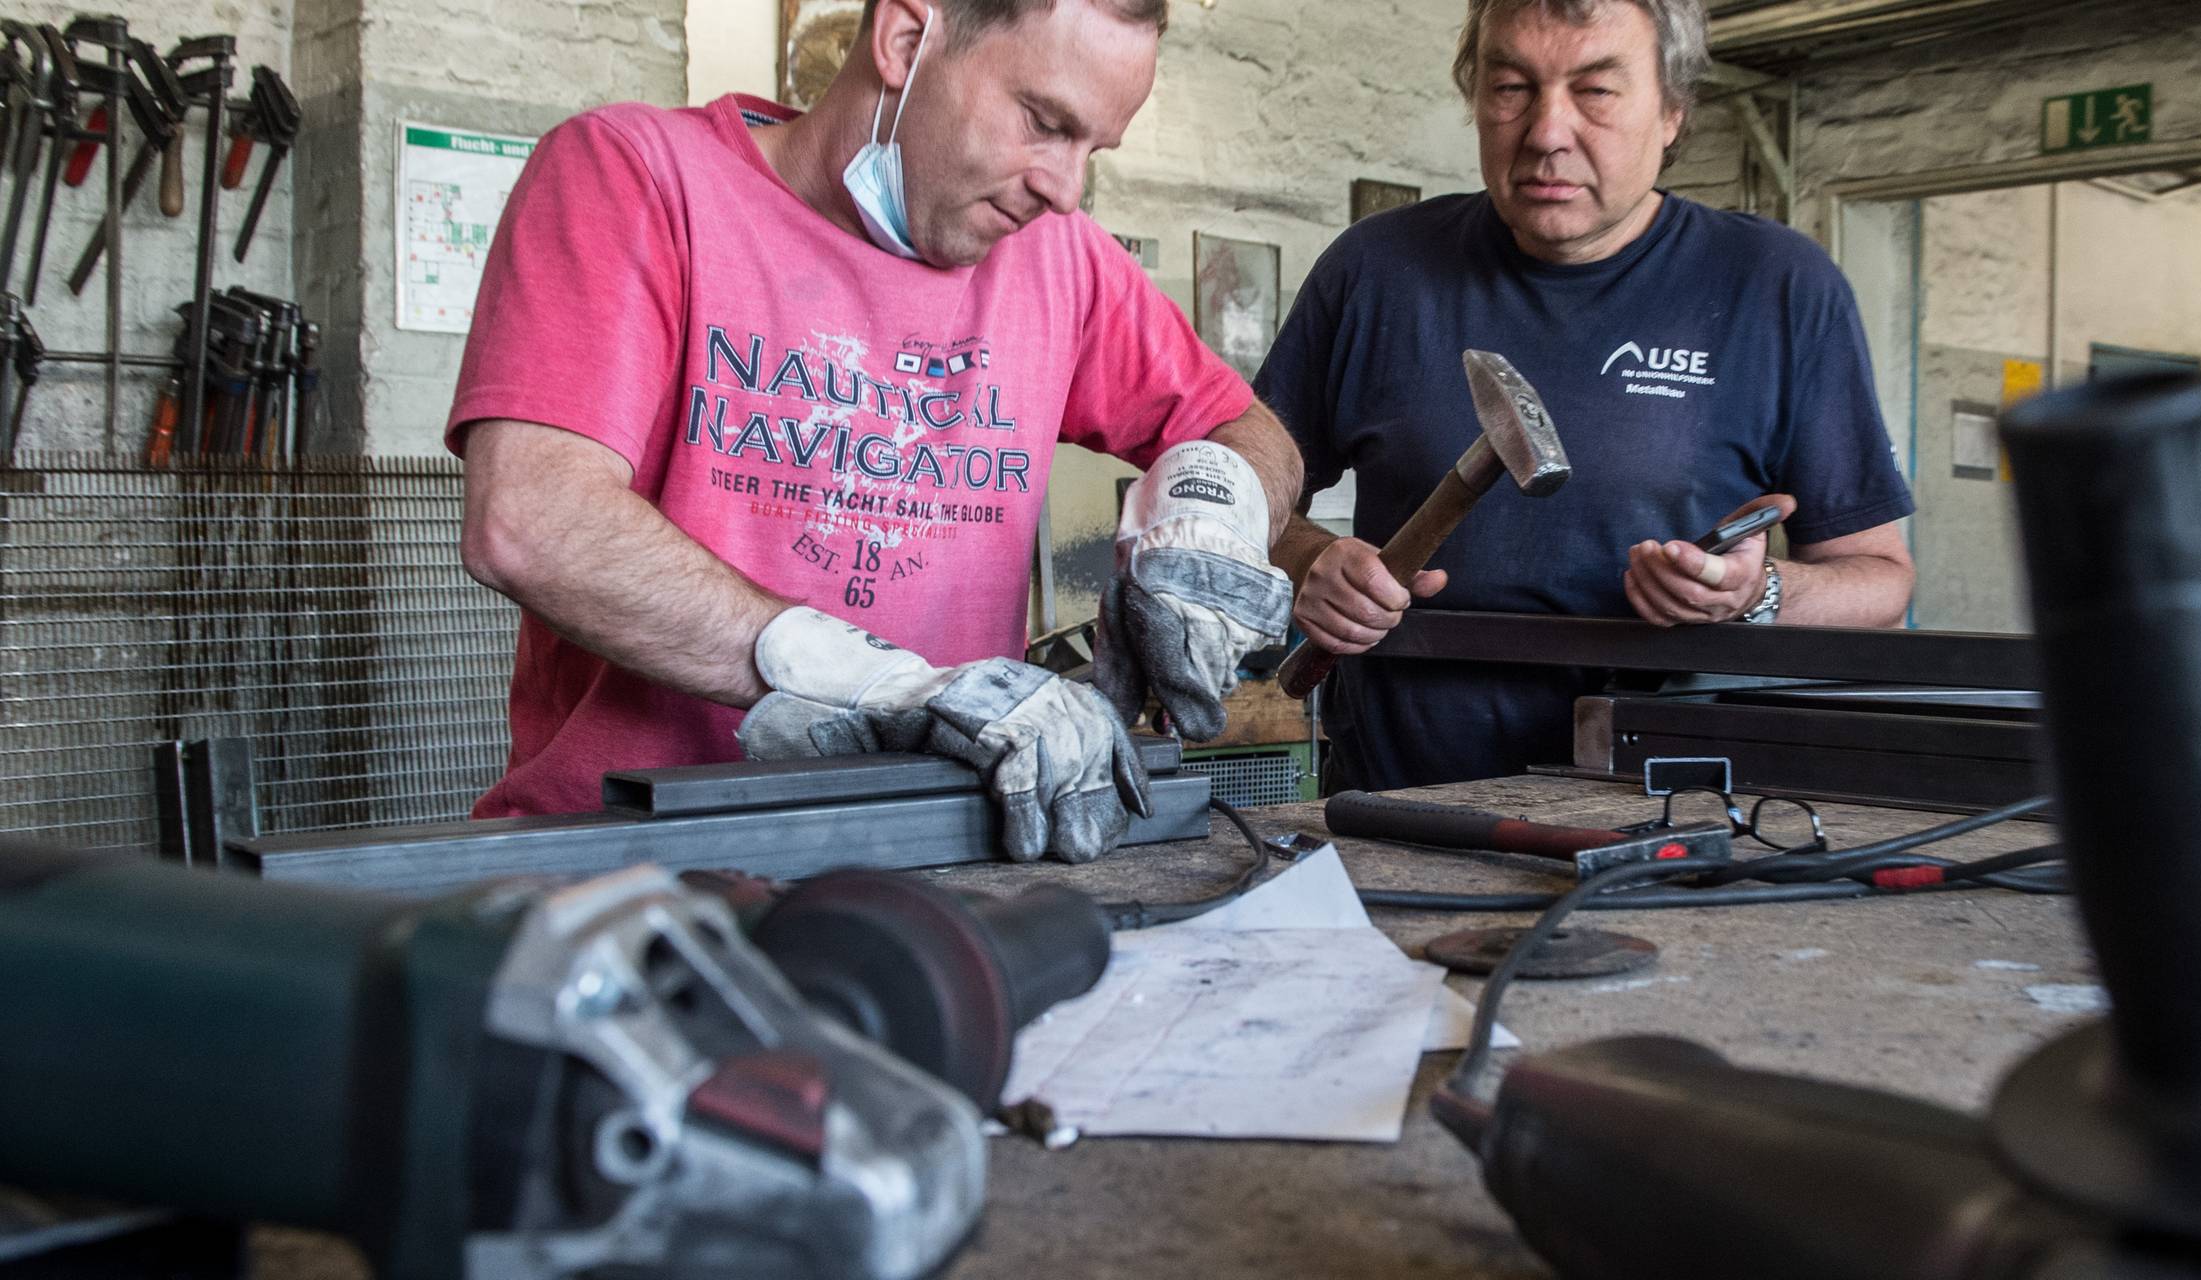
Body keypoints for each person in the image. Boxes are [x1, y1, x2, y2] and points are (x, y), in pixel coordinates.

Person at [448, 0, 1299, 862]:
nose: (1065, 188)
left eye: (1093, 150)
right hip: (629, 869)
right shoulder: (637, 176)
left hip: (936, 859)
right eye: (1044, 123)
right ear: (903, 40)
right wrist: (886, 688)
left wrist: (1208, 519)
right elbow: (532, 519)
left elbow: (1246, 429)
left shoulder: (1062, 263)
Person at [1256, 0, 1916, 794]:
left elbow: (1880, 581)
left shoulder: (1777, 287)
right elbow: (1249, 495)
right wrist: (1309, 561)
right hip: (1400, 800)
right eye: (1510, 88)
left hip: (1675, 808)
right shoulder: (1378, 271)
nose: (1545, 132)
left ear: (1673, 110)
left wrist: (1756, 592)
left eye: (1596, 91)